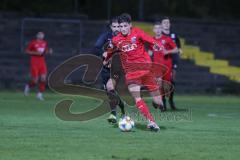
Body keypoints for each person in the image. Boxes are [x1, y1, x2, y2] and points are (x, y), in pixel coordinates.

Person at [105, 13, 164, 132]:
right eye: (121, 26)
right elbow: (110, 51)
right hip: (131, 72)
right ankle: (151, 122)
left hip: (146, 69)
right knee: (137, 98)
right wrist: (106, 59)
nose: (123, 29)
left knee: (159, 102)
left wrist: (157, 44)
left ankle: (157, 103)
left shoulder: (137, 32)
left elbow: (149, 39)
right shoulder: (116, 40)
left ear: (130, 25)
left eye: (125, 26)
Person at [94, 16, 125, 124]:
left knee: (110, 87)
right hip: (106, 69)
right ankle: (122, 106)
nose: (117, 28)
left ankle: (113, 114)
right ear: (111, 27)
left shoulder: (125, 38)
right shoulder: (106, 36)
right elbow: (96, 48)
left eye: (119, 26)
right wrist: (102, 53)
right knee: (110, 92)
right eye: (114, 26)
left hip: (117, 69)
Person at [150, 21, 179, 111]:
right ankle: (162, 103)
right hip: (157, 66)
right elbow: (150, 51)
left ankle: (167, 99)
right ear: (154, 30)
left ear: (161, 29)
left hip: (167, 66)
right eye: (156, 28)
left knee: (167, 85)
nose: (158, 30)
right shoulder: (151, 40)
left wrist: (168, 52)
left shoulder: (167, 39)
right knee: (159, 84)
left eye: (159, 28)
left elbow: (176, 49)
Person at [161, 17, 182, 110]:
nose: (166, 24)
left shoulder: (173, 35)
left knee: (172, 81)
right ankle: (163, 102)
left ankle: (170, 100)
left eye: (168, 22)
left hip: (173, 60)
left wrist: (180, 50)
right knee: (162, 82)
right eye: (164, 22)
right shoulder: (159, 35)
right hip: (163, 61)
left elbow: (178, 45)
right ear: (161, 25)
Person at [24, 31, 52, 100]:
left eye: (42, 35)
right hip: (34, 63)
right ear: (37, 35)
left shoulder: (44, 43)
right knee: (35, 80)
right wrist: (36, 53)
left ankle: (39, 94)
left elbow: (44, 51)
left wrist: (49, 52)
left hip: (42, 63)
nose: (41, 36)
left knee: (43, 78)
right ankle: (28, 86)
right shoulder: (33, 43)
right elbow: (27, 51)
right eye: (39, 34)